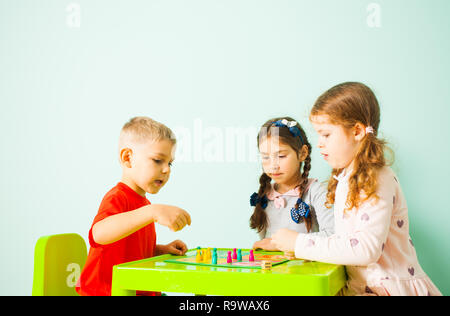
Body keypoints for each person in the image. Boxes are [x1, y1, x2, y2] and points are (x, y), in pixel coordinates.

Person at [271, 83, 442, 296]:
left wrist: (299, 243)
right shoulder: (348, 177)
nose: (320, 144)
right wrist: (285, 245)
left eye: (326, 135)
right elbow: (347, 243)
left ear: (358, 131)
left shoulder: (376, 177)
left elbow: (365, 249)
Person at [76, 116, 191, 296]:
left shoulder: (144, 204)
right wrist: (153, 211)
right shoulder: (118, 197)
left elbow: (129, 250)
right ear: (128, 158)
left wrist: (160, 249)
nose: (167, 169)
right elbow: (99, 234)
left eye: (169, 163)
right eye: (157, 160)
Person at [250, 117, 334, 252]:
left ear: (302, 153)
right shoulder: (263, 196)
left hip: (308, 271)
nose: (273, 166)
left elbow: (333, 237)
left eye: (281, 156)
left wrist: (288, 244)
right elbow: (266, 241)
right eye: (265, 157)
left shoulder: (316, 192)